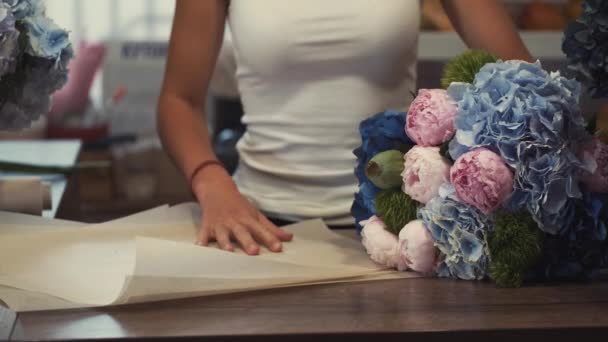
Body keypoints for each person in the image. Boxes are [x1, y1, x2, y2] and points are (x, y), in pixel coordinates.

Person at [157, 0, 533, 256]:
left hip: (402, 229)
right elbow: (178, 101)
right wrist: (212, 183)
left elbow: (524, 82)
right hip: (260, 230)